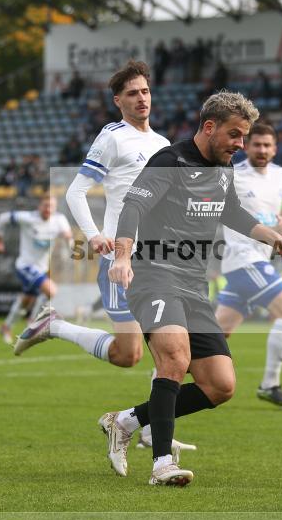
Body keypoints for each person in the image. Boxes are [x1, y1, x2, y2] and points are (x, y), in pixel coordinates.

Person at [101, 91, 282, 486]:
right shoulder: (170, 161)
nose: (240, 145)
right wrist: (123, 256)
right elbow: (134, 207)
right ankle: (162, 463)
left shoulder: (223, 169)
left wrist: (276, 240)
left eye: (244, 138)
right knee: (175, 358)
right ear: (210, 127)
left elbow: (231, 212)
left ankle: (126, 421)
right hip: (154, 275)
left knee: (220, 385)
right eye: (235, 135)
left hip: (194, 285)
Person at [14, 60, 195, 454]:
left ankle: (149, 427)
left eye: (145, 91)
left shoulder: (163, 144)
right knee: (128, 354)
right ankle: (54, 325)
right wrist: (95, 236)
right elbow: (75, 192)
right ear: (118, 101)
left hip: (160, 260)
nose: (141, 98)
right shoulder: (112, 137)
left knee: (170, 350)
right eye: (132, 93)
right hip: (121, 261)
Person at [214, 122, 282, 408]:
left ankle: (169, 370)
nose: (262, 150)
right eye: (257, 144)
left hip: (259, 259)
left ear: (275, 149)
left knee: (217, 333)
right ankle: (270, 384)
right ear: (247, 146)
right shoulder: (234, 175)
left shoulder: (281, 176)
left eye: (267, 145)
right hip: (243, 259)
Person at [0, 196, 73, 344]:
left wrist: (69, 246)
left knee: (26, 301)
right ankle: (33, 323)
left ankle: (6, 326)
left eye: (51, 206)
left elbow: (68, 236)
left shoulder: (59, 220)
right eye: (45, 205)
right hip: (25, 266)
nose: (48, 209)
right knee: (51, 290)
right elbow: (2, 218)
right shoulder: (28, 218)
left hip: (41, 268)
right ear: (39, 206)